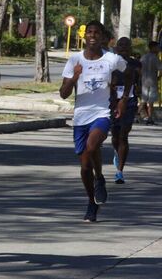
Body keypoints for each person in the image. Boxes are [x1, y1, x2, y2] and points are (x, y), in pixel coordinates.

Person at [59, 20, 133, 223]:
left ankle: (98, 179)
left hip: (101, 113)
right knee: (84, 167)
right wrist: (74, 78)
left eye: (96, 32)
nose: (92, 35)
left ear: (102, 37)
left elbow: (129, 74)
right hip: (80, 116)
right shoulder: (75, 60)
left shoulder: (111, 59)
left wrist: (123, 100)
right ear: (84, 36)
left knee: (92, 148)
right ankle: (93, 197)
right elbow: (63, 94)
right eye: (89, 32)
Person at [110, 37, 140, 184]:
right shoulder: (111, 61)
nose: (122, 47)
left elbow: (139, 82)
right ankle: (117, 152)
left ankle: (120, 171)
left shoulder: (135, 63)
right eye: (120, 45)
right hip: (113, 101)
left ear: (130, 48)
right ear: (116, 47)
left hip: (130, 101)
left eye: (126, 45)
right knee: (115, 136)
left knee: (123, 135)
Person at [139, 41, 162, 125]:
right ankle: (149, 117)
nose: (159, 49)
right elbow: (161, 69)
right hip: (152, 81)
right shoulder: (155, 58)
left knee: (144, 99)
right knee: (151, 101)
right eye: (157, 47)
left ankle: (140, 114)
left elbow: (139, 69)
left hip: (144, 81)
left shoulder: (143, 57)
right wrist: (159, 78)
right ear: (153, 47)